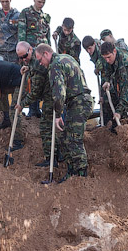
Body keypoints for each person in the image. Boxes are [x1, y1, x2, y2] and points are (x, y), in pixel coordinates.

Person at [36, 44, 92, 181]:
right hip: (80, 101)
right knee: (66, 138)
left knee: (73, 139)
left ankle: (81, 176)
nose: (40, 63)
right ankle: (72, 172)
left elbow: (59, 93)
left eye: (39, 59)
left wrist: (58, 113)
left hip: (78, 102)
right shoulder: (66, 58)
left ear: (46, 54)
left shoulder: (54, 66)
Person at [16, 42, 55, 166]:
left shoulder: (38, 65)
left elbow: (35, 93)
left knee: (45, 128)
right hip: (49, 95)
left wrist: (22, 104)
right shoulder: (33, 61)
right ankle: (55, 156)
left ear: (31, 50)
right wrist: (27, 68)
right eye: (20, 58)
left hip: (51, 96)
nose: (23, 59)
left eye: (24, 56)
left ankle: (52, 159)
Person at [18, 0, 50, 117]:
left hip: (43, 55)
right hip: (30, 54)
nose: (40, 4)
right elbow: (21, 36)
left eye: (43, 2)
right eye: (39, 2)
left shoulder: (45, 17)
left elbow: (46, 36)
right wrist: (23, 57)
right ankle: (33, 109)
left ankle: (39, 109)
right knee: (32, 79)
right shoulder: (25, 13)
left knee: (43, 80)